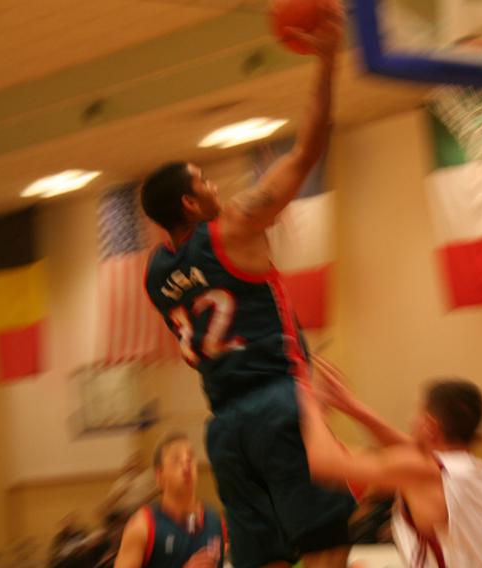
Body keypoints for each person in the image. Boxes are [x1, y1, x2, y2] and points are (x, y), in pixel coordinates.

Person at [140, 4, 355, 567]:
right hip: (279, 402)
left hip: (226, 429)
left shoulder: (154, 275)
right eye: (203, 181)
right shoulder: (232, 226)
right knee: (327, 543)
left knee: (264, 559)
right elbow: (308, 150)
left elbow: (193, 355)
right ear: (191, 203)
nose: (215, 185)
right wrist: (328, 61)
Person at [301, 356, 482, 568]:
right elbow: (409, 448)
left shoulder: (421, 470)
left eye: (417, 414)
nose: (411, 421)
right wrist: (353, 408)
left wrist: (312, 406)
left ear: (430, 426)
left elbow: (325, 463)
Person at [114, 433, 226, 568]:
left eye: (190, 457)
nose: (186, 463)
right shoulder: (142, 526)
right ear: (160, 476)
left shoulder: (216, 522)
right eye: (176, 459)